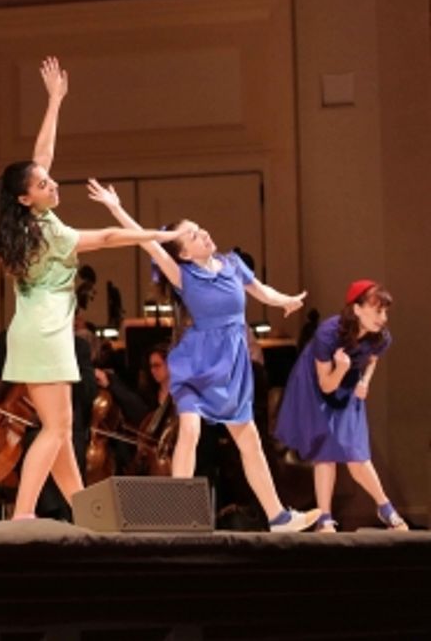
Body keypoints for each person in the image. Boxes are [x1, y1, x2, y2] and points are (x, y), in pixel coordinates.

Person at [0, 58, 180, 522]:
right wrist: (156, 235)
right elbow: (109, 238)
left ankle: (86, 513)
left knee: (64, 427)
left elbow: (42, 155)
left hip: (37, 329)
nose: (52, 182)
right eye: (42, 184)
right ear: (26, 197)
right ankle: (24, 515)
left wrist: (54, 102)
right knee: (54, 429)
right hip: (48, 333)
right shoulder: (50, 235)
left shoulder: (34, 218)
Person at [88, 178, 319, 531]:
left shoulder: (232, 265)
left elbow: (260, 290)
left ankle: (279, 517)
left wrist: (284, 300)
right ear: (183, 252)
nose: (203, 234)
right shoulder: (183, 274)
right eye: (193, 235)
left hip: (232, 364)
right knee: (191, 430)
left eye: (200, 229)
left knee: (250, 439)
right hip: (196, 362)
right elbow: (148, 244)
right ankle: (179, 515)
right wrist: (115, 207)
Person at [274, 280, 406, 531]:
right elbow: (325, 384)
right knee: (326, 449)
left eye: (385, 311)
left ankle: (384, 506)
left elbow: (372, 359)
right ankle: (325, 517)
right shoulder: (328, 333)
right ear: (357, 309)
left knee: (354, 450)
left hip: (348, 383)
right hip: (318, 384)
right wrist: (342, 367)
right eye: (378, 310)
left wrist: (365, 381)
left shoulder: (381, 337)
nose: (383, 317)